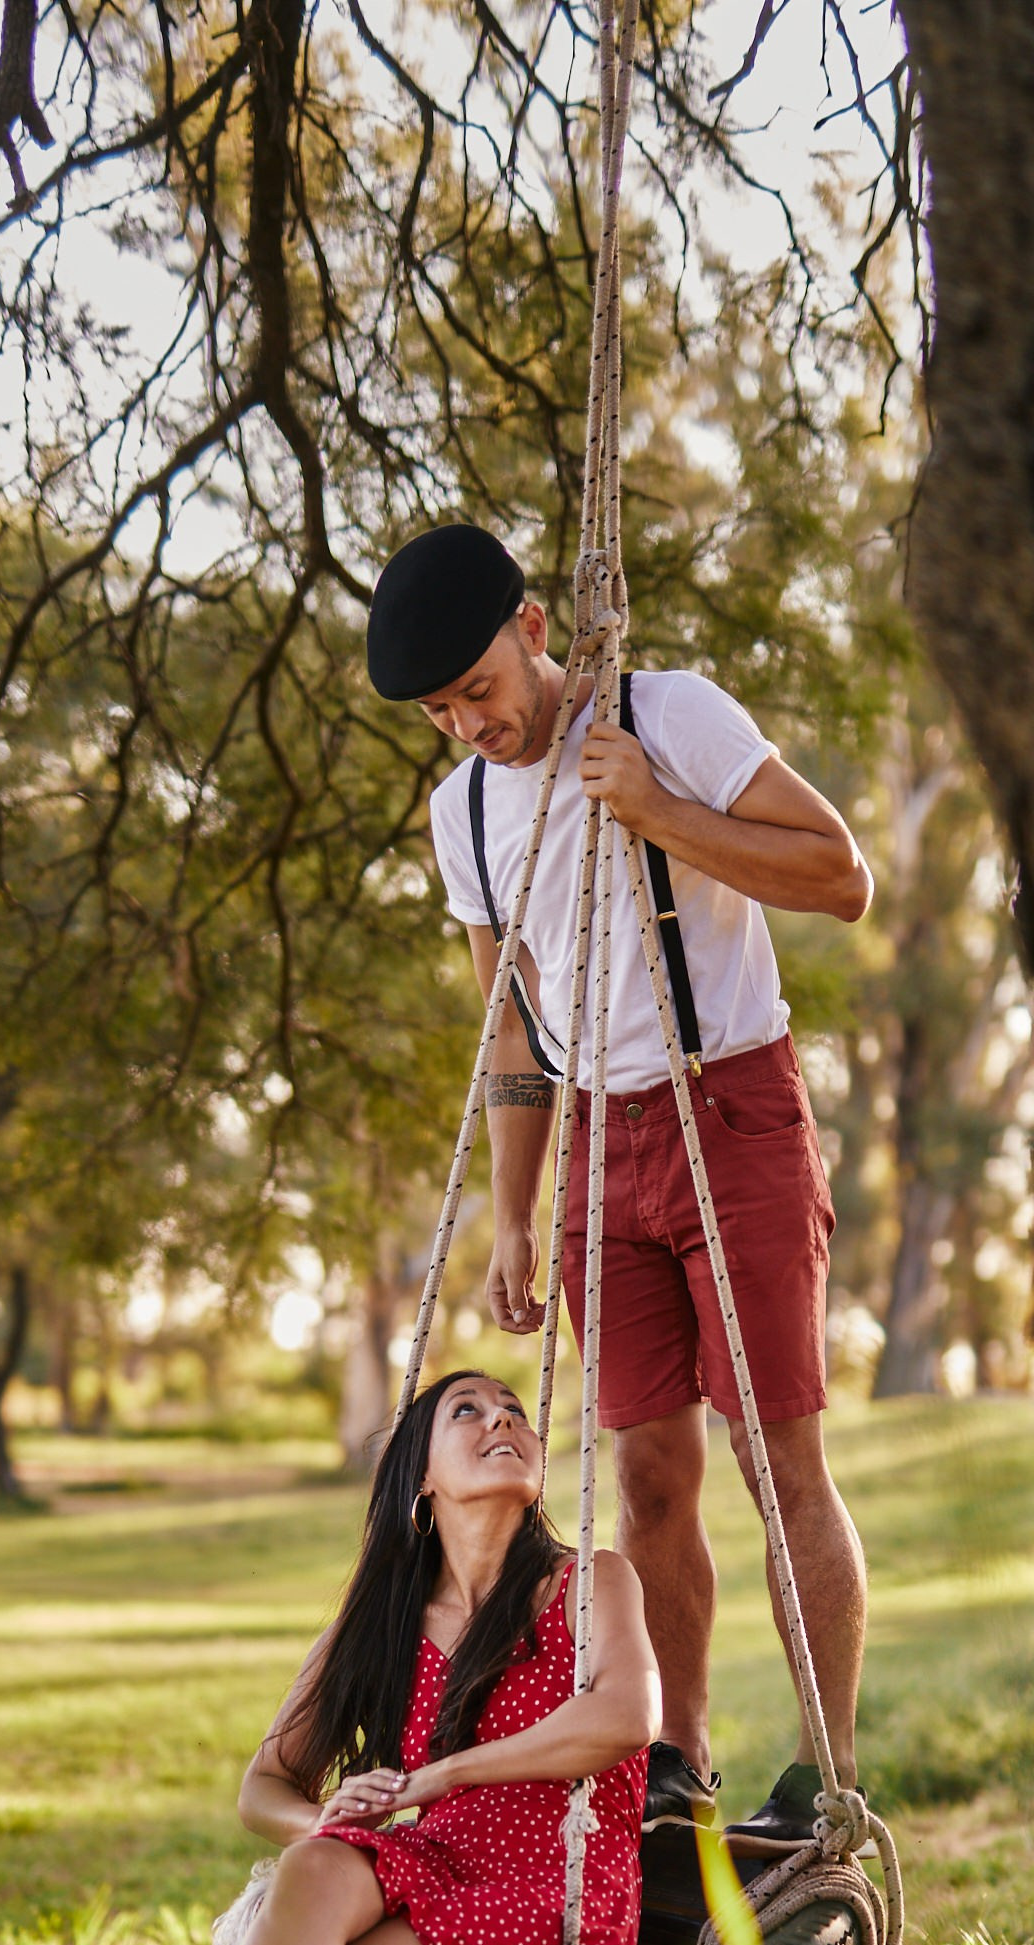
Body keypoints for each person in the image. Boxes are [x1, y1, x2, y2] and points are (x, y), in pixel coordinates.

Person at [366, 522, 874, 1852]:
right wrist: (514, 1217)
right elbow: (515, 1042)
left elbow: (842, 877)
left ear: (534, 631)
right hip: (597, 1141)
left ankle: (825, 1780)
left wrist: (662, 810)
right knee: (648, 1476)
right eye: (440, 713)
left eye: (478, 690)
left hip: (734, 1108)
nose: (468, 726)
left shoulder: (672, 715)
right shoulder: (463, 814)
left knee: (781, 1467)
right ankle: (677, 1768)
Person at [89, 1371, 657, 1945]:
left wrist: (451, 1773)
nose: (501, 1419)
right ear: (419, 1475)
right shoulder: (382, 1622)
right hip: (435, 1862)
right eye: (466, 1412)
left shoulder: (591, 1585)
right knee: (314, 1859)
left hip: (554, 1888)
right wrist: (330, 1817)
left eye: (513, 1411)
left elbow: (627, 1718)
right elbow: (264, 1789)